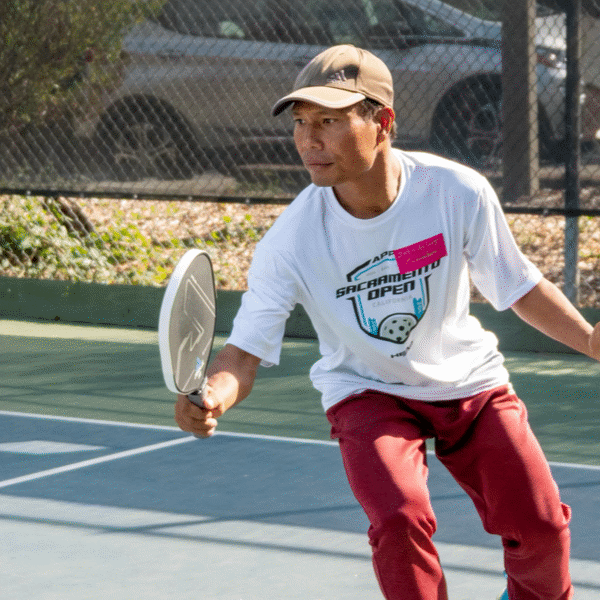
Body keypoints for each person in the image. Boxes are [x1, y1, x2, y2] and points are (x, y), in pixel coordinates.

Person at [174, 44, 600, 600]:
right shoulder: (292, 239)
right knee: (399, 522)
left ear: (383, 122)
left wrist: (590, 340)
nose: (309, 140)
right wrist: (214, 394)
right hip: (367, 392)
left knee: (541, 526)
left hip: (469, 382)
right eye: (301, 122)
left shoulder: (455, 191)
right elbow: (244, 352)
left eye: (329, 121)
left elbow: (518, 285)